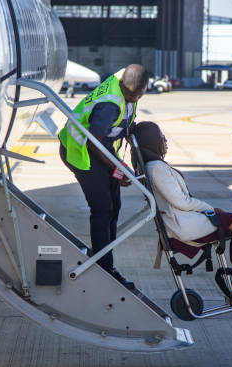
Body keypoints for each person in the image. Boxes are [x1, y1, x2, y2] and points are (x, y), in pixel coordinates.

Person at [131, 121, 232, 299]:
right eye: (161, 137)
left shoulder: (152, 167)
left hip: (182, 220)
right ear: (151, 142)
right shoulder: (156, 169)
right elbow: (181, 202)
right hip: (183, 224)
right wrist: (209, 210)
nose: (165, 140)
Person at [58, 64, 149, 289]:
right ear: (122, 87)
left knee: (114, 207)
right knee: (102, 210)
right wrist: (119, 170)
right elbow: (94, 141)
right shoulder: (111, 103)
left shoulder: (127, 81)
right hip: (81, 152)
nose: (133, 98)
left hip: (101, 150)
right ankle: (104, 269)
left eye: (137, 95)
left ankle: (103, 256)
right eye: (130, 95)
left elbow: (120, 127)